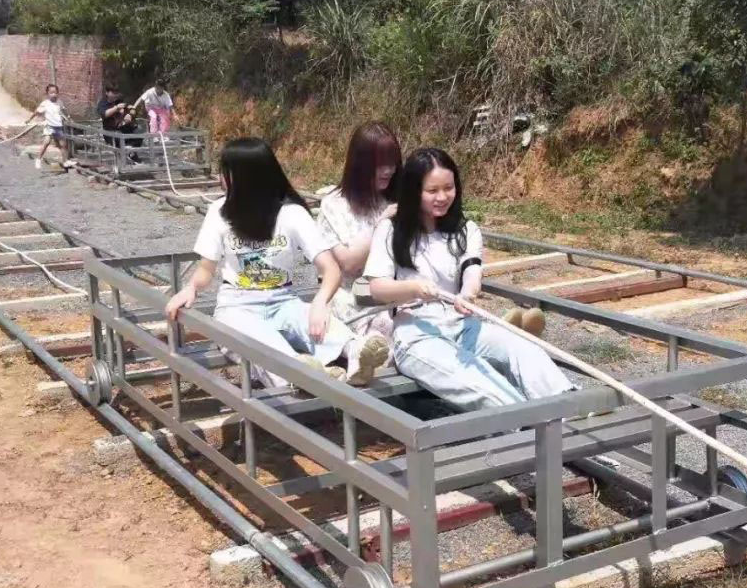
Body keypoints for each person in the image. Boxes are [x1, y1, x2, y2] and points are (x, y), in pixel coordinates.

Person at [164, 137, 388, 390]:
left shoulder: (291, 214)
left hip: (283, 299)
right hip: (237, 305)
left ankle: (356, 353)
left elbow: (331, 269)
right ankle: (299, 375)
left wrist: (319, 303)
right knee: (260, 341)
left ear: (245, 177)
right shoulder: (219, 211)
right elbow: (206, 269)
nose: (220, 179)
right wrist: (191, 288)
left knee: (311, 319)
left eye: (225, 172)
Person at [365, 147, 573, 412]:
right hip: (416, 334)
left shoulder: (466, 230)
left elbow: (472, 272)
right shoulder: (391, 230)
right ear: (413, 191)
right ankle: (530, 425)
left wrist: (467, 295)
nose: (443, 197)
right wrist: (413, 288)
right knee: (482, 385)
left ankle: (573, 407)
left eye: (448, 188)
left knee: (522, 348)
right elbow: (377, 288)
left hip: (463, 325)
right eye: (432, 191)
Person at [316, 121, 402, 348]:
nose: (388, 170)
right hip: (352, 294)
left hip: (395, 290)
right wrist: (380, 223)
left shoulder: (395, 198)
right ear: (360, 164)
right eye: (380, 164)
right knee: (383, 325)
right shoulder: (334, 206)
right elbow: (349, 264)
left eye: (392, 162)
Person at [25, 84, 71, 170]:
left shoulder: (59, 102)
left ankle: (65, 161)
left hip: (58, 126)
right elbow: (36, 112)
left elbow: (64, 110)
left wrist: (68, 117)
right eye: (51, 93)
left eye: (55, 92)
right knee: (46, 142)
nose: (54, 94)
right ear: (47, 94)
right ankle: (38, 159)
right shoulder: (45, 104)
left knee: (63, 145)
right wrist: (29, 119)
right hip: (50, 126)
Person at [96, 83, 140, 162]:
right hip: (110, 131)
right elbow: (104, 114)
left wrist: (130, 115)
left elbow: (132, 108)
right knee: (118, 135)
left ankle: (132, 152)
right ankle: (123, 156)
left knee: (138, 130)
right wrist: (116, 108)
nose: (115, 95)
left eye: (116, 92)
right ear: (107, 93)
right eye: (113, 92)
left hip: (123, 128)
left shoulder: (120, 100)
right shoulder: (103, 103)